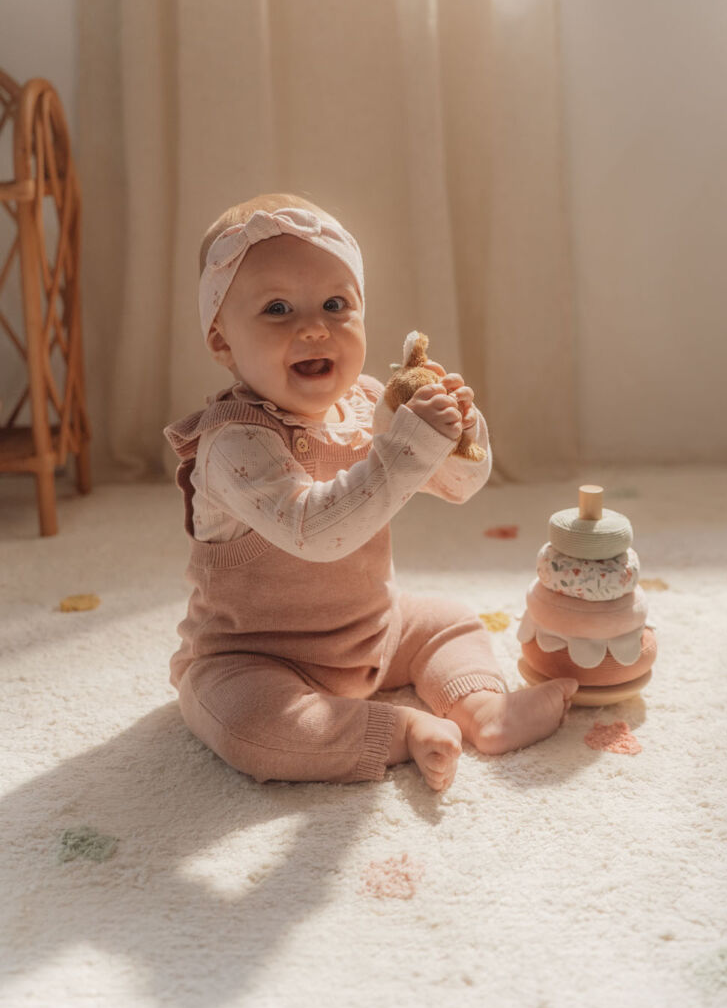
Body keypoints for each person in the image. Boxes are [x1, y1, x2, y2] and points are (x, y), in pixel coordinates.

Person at [164, 193, 577, 791]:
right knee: (248, 728)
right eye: (278, 308)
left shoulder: (370, 402)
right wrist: (407, 447)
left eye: (336, 304)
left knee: (449, 620)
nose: (314, 327)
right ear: (222, 341)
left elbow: (457, 487)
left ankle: (483, 708)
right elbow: (316, 531)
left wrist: (459, 433)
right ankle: (396, 730)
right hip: (255, 658)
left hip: (373, 631)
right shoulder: (234, 444)